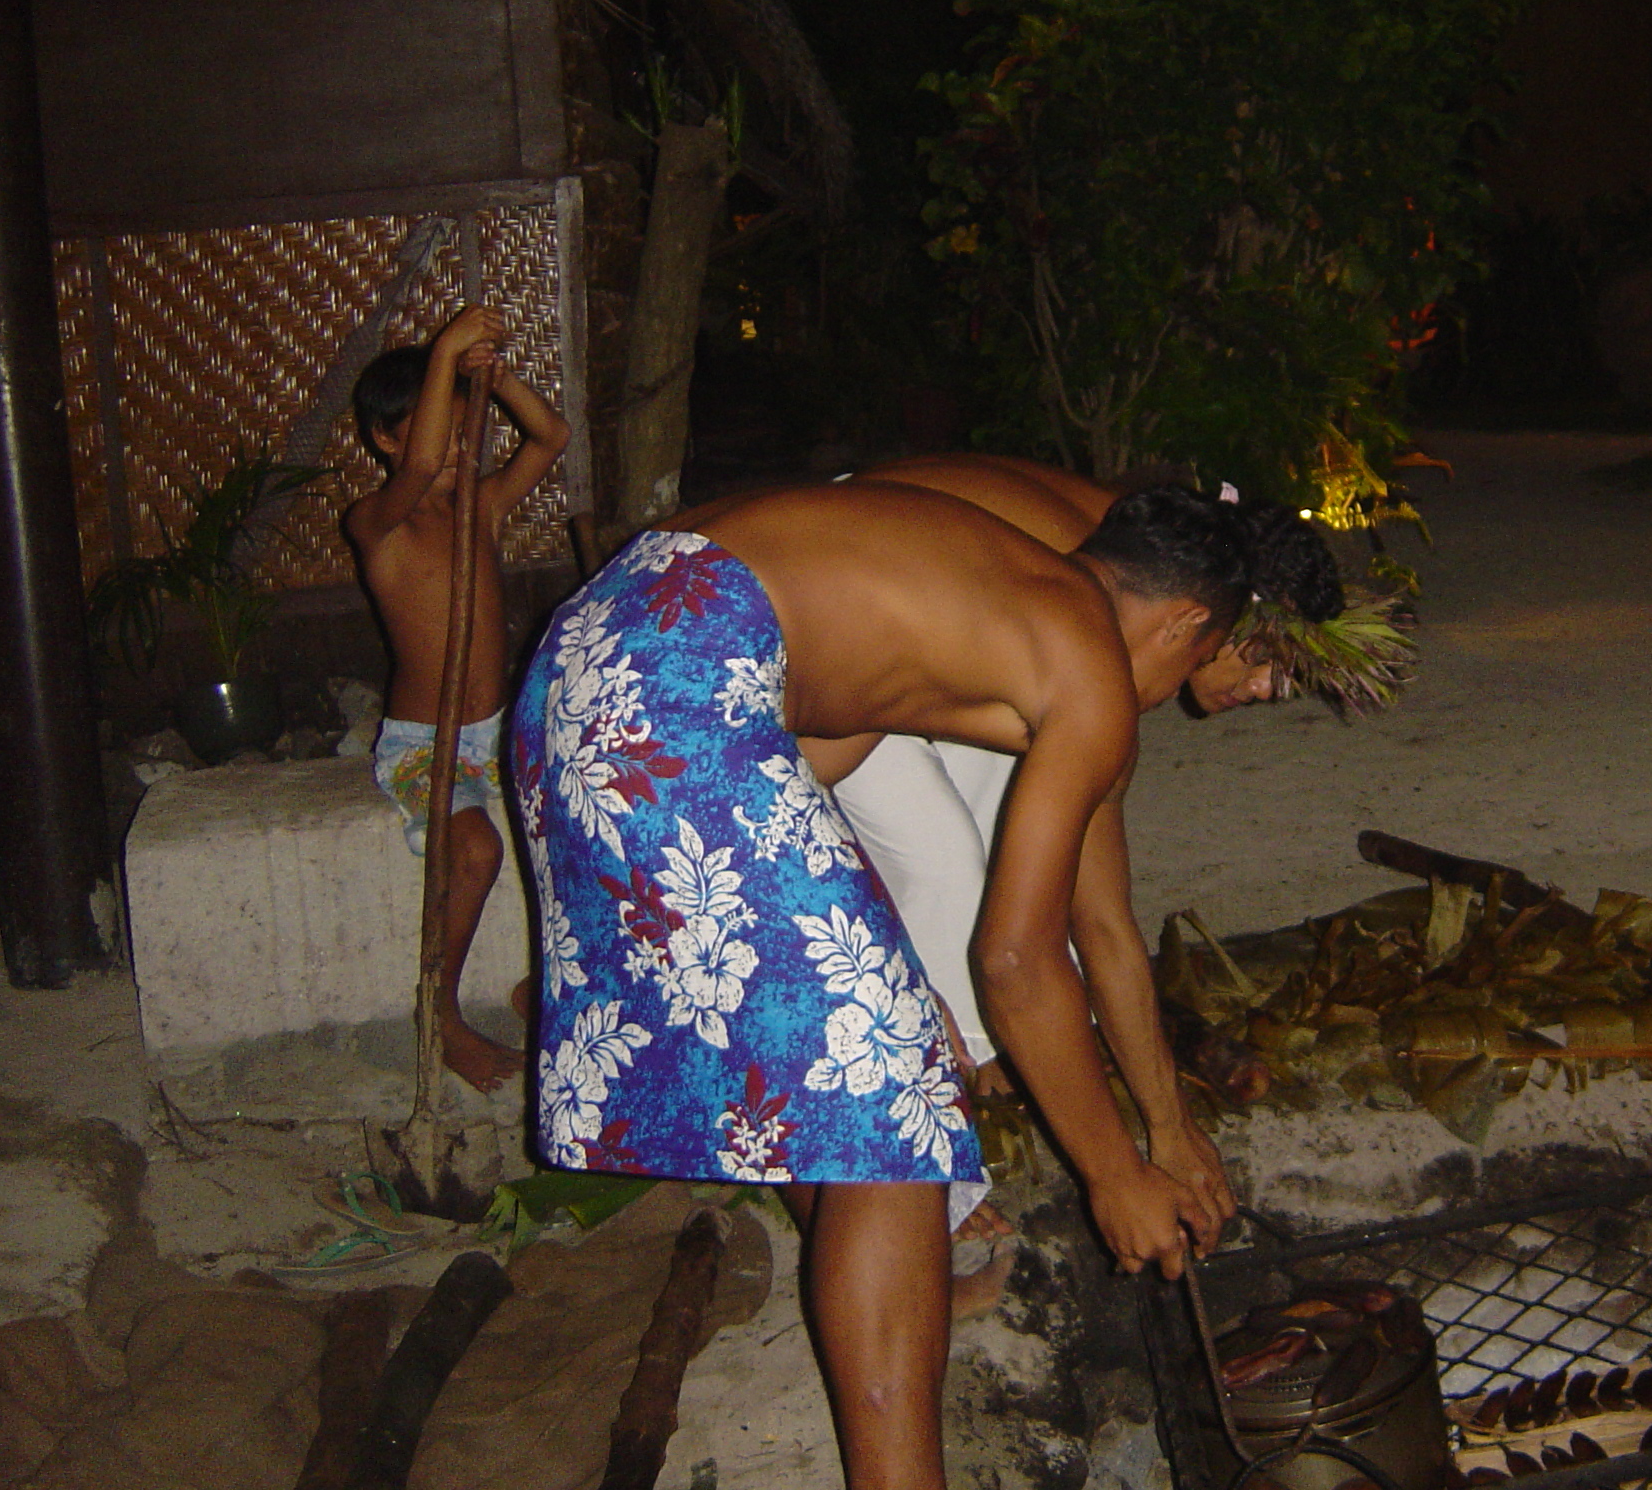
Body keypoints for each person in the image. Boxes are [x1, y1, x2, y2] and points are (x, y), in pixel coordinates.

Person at [508, 480, 1258, 1490]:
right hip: (675, 681)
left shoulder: (975, 588)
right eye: (1201, 661)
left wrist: (876, 965)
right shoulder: (1085, 660)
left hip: (590, 657)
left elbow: (815, 763)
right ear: (1184, 623)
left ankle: (886, 1306)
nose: (1171, 693)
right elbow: (1018, 960)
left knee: (862, 1040)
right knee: (887, 1076)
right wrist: (1116, 1173)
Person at [834, 454, 1370, 1237]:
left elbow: (1102, 917)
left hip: (938, 602)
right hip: (845, 592)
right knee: (944, 874)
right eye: (1269, 666)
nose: (1265, 694)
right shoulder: (1096, 604)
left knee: (1022, 895)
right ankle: (913, 1159)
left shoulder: (1129, 597)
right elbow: (1063, 936)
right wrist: (1129, 1160)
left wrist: (1170, 1127)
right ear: (1205, 620)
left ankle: (976, 1052)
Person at [346, 304, 570, 1094]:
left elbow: (550, 439)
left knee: (581, 827)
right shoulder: (380, 524)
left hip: (500, 729)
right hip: (426, 745)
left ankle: (545, 987)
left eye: (458, 430)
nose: (454, 450)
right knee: (476, 851)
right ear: (387, 438)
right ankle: (437, 1014)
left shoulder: (481, 507)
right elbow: (417, 470)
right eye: (434, 430)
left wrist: (497, 381)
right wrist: (445, 351)